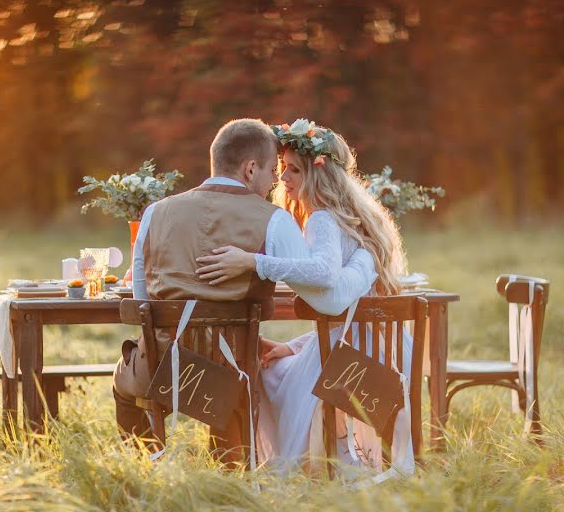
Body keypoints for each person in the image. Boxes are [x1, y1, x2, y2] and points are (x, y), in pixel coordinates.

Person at [113, 118, 378, 458]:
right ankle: (231, 475)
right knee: (238, 371)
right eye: (271, 171)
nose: (274, 182)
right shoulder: (275, 220)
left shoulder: (154, 213)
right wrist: (363, 262)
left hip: (163, 368)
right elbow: (319, 286)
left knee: (124, 378)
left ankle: (142, 466)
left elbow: (142, 300)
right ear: (251, 168)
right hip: (230, 372)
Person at [194, 119, 412, 478]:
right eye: (281, 170)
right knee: (282, 360)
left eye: (294, 170)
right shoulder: (358, 222)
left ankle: (263, 465)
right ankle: (340, 455)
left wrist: (253, 262)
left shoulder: (322, 219)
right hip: (385, 356)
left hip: (352, 363)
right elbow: (348, 315)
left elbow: (326, 279)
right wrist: (294, 346)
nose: (284, 179)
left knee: (266, 373)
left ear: (318, 174)